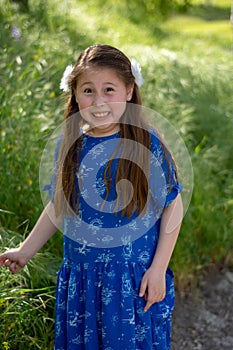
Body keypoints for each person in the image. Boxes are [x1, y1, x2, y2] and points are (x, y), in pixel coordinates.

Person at [0, 44, 183, 349]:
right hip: (83, 279)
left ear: (128, 90)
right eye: (88, 90)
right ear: (74, 94)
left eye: (108, 89)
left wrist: (158, 268)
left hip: (132, 279)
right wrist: (26, 250)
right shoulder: (70, 145)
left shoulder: (144, 143)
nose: (98, 102)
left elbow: (172, 206)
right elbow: (61, 206)